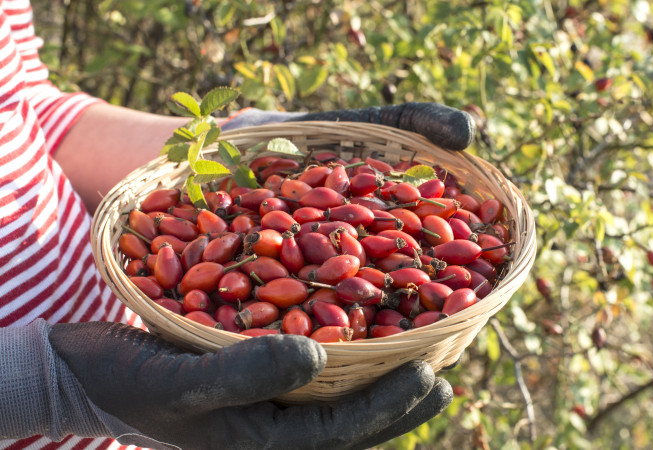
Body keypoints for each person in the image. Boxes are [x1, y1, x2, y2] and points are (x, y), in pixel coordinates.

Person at [0, 1, 476, 449]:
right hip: (112, 389)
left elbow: (22, 103)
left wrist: (249, 145)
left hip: (142, 378)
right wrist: (43, 386)